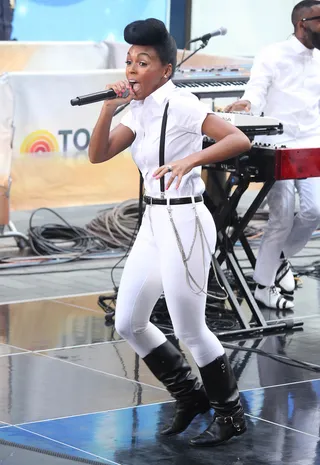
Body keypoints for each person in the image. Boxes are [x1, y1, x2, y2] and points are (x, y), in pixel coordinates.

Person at [89, 18, 251, 447]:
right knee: (128, 320)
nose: (132, 70)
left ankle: (231, 415)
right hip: (155, 223)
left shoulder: (180, 103)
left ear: (165, 70)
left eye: (143, 62)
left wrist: (191, 161)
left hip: (186, 222)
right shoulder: (139, 108)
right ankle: (190, 396)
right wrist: (108, 108)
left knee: (190, 329)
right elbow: (99, 154)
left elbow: (237, 140)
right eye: (129, 62)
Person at [225, 0, 320, 310]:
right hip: (276, 144)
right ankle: (264, 286)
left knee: (314, 212)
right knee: (281, 217)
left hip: (310, 145)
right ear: (302, 22)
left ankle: (276, 257)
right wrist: (246, 105)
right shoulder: (273, 54)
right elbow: (257, 90)